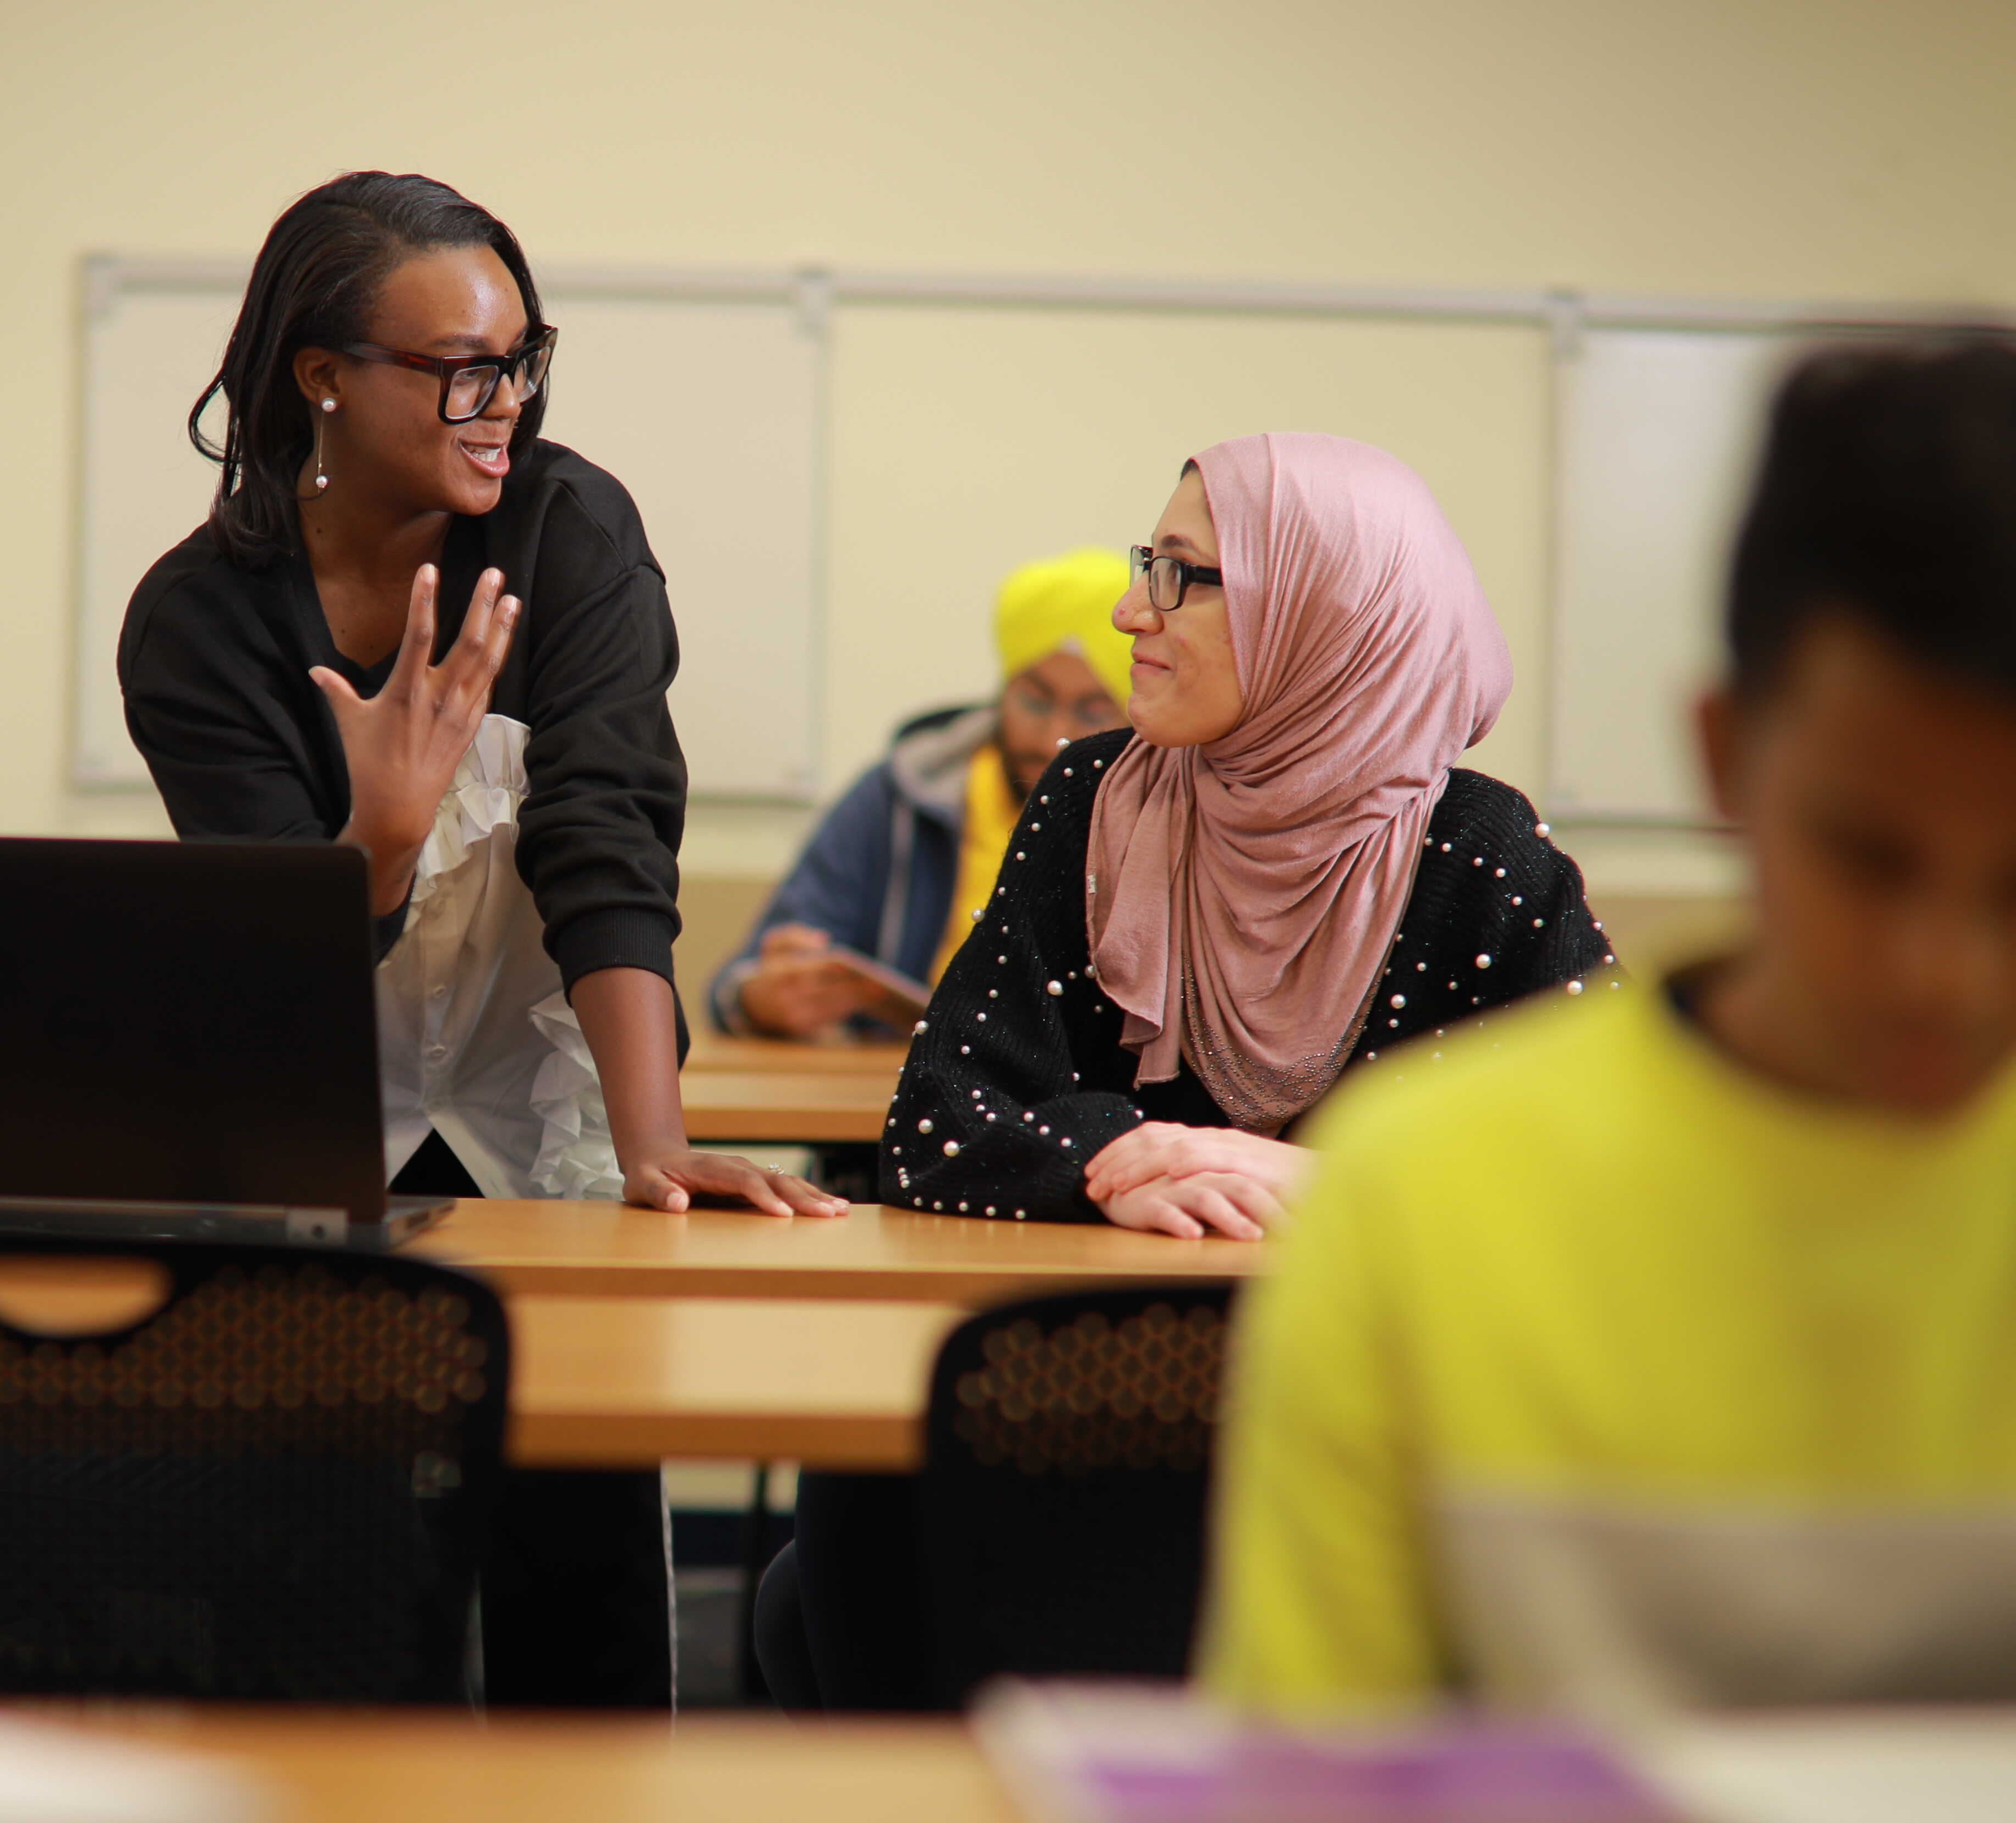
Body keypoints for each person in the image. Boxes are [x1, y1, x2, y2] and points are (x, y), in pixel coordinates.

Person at [1201, 340, 2016, 1721]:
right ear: (1719, 757)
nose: (1940, 972)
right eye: (1866, 859)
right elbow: (1303, 1820)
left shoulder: (1473, 861)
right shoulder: (1424, 1198)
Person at [118, 171, 843, 1707]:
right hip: (321, 1126)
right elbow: (267, 970)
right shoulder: (200, 620)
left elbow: (609, 835)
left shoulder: (569, 529)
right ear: (323, 373)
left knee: (576, 1570)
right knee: (310, 1584)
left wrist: (656, 1144)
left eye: (518, 357)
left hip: (549, 1101)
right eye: (459, 366)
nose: (499, 399)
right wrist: (375, 838)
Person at [760, 432, 1613, 1711]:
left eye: (1181, 576)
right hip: (1074, 1422)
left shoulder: (1480, 855)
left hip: (1355, 1455)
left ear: (1323, 616)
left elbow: (1591, 1179)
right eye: (1141, 566)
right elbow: (933, 1122)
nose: (1125, 613)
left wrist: (1302, 1177)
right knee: (840, 1565)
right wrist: (1106, 1154)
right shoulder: (1095, 797)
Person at [712, 548, 1132, 1041]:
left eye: (1092, 711)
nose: (1052, 738)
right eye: (1035, 700)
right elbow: (737, 982)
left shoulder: (1165, 820)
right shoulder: (901, 796)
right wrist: (760, 998)